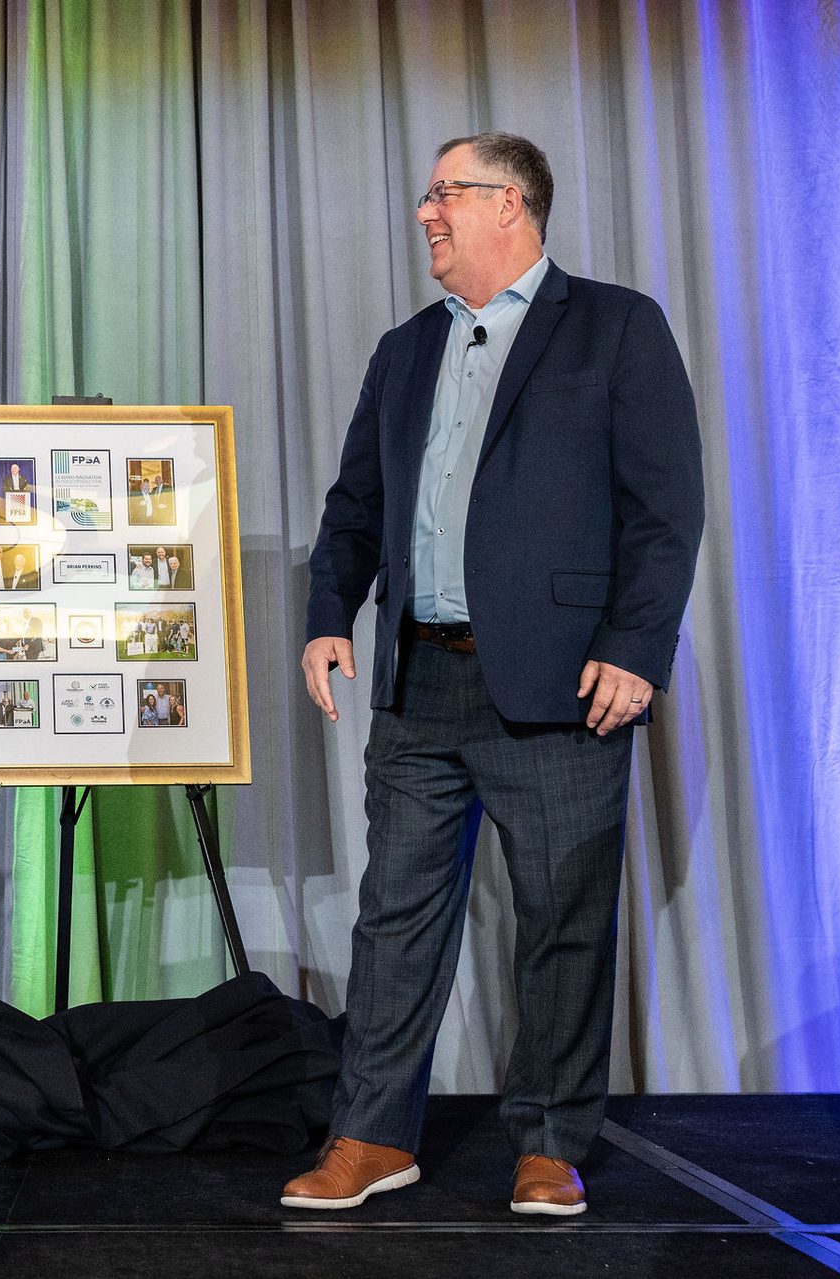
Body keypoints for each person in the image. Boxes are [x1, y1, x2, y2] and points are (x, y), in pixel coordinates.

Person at [288, 133, 703, 1218]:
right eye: (426, 195)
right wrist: (331, 614)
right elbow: (356, 510)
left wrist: (636, 647)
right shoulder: (406, 348)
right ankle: (372, 1135)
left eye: (445, 194)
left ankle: (551, 1143)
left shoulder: (613, 327)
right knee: (395, 919)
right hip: (421, 680)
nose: (425, 212)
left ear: (510, 204)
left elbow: (666, 512)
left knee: (563, 917)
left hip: (563, 687)